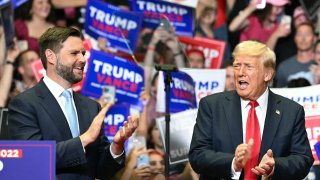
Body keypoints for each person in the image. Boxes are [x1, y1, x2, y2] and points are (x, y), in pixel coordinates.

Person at [8, 27, 139, 179]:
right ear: (51, 56)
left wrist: (116, 146)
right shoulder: (24, 104)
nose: (83, 59)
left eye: (83, 53)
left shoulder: (91, 107)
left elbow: (102, 172)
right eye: (74, 53)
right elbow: (33, 158)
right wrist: (85, 139)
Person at [189, 40, 313, 179]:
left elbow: (303, 159)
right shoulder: (212, 105)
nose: (240, 73)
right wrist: (232, 163)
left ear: (267, 75)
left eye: (248, 67)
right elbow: (197, 155)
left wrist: (275, 167)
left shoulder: (291, 111)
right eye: (237, 66)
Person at [276, 22, 316, 87]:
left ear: (314, 38)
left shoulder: (318, 63)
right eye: (299, 34)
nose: (303, 38)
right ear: (295, 38)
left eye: (307, 34)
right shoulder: (283, 67)